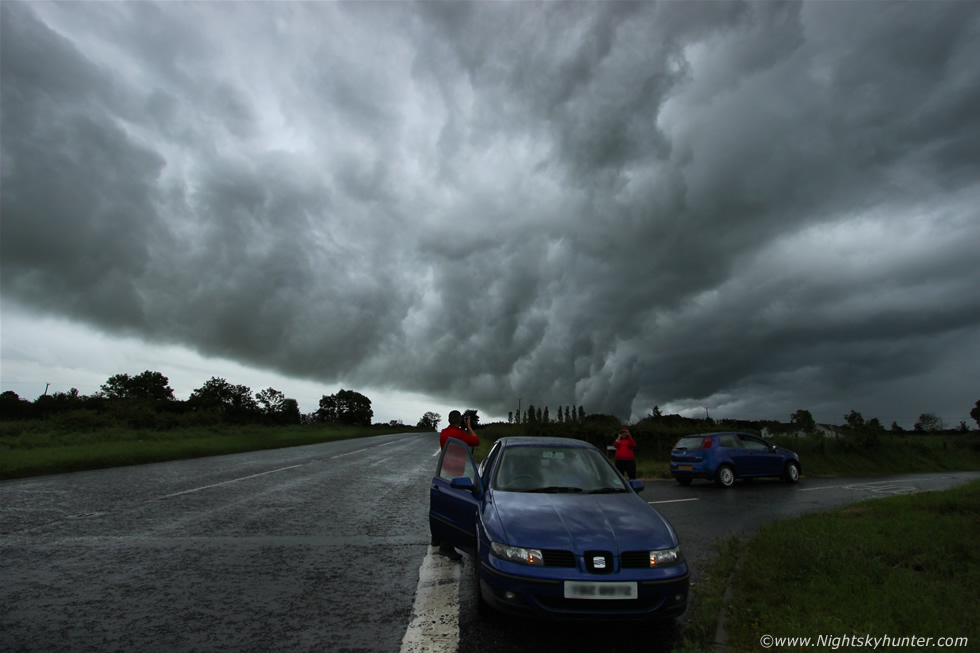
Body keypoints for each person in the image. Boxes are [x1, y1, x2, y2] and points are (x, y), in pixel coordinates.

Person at [436, 410, 480, 561]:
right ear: (460, 421)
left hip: (444, 473)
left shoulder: (444, 433)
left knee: (443, 507)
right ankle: (446, 546)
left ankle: (437, 538)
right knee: (453, 510)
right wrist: (469, 427)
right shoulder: (459, 434)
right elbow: (476, 441)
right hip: (455, 475)